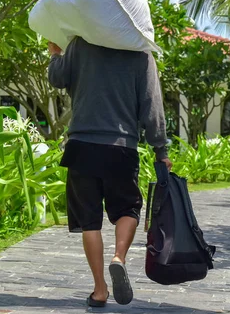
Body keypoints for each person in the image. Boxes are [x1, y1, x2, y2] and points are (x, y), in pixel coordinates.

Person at [47, 37, 172, 307]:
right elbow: (152, 106)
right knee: (128, 209)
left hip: (81, 147)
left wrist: (56, 54)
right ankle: (119, 257)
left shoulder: (80, 45)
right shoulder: (140, 53)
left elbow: (57, 79)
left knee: (89, 221)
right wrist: (160, 150)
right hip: (121, 147)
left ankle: (100, 290)